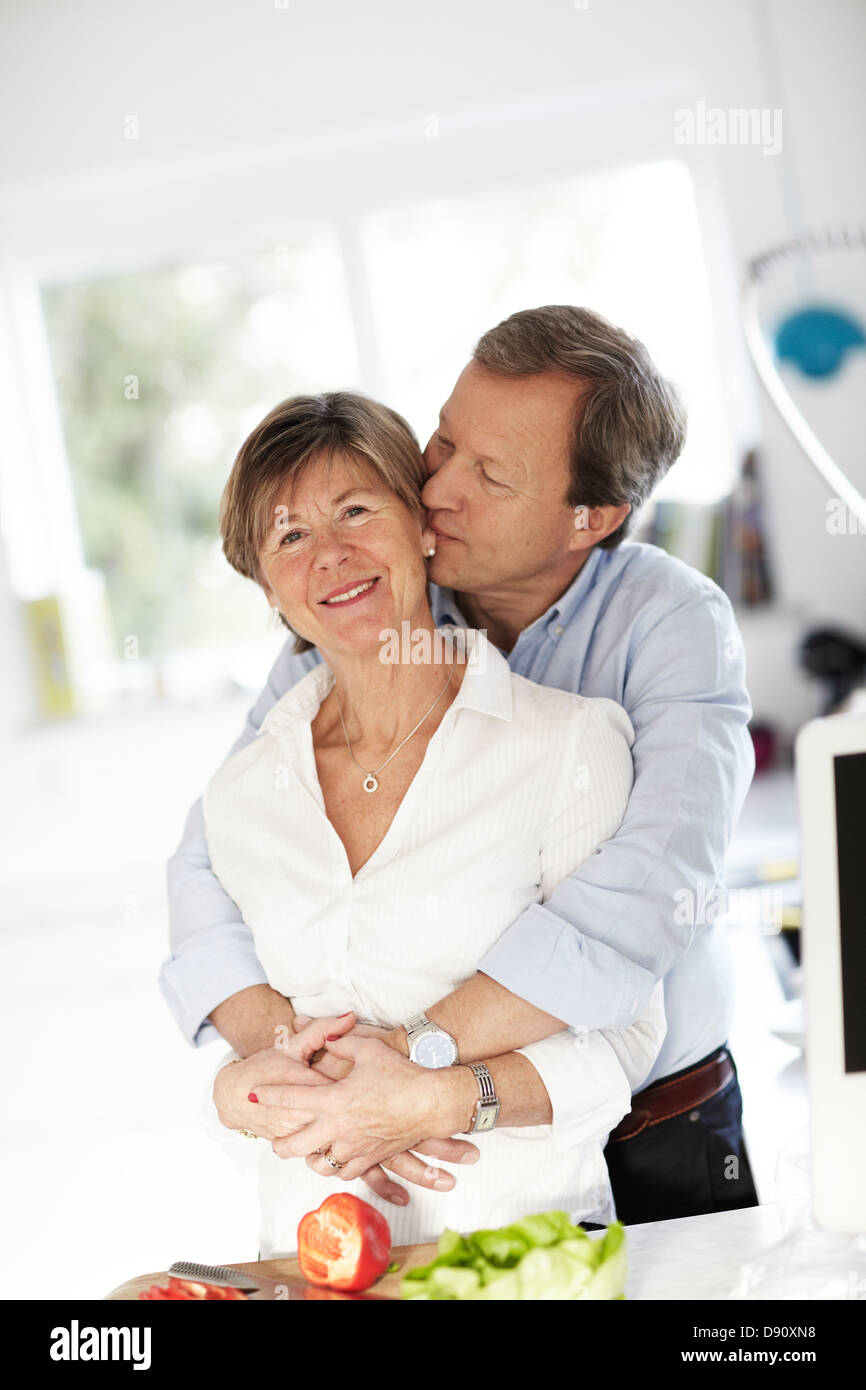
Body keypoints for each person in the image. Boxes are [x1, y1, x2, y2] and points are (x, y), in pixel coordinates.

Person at [161, 305, 759, 1226]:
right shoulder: (366, 607)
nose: (436, 488)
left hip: (655, 1114)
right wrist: (300, 1063)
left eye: (491, 474)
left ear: (591, 518)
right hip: (419, 1145)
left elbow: (643, 897)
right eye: (443, 442)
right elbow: (216, 853)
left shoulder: (668, 625)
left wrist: (412, 1064)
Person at [198, 389, 664, 1254]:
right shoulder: (243, 795)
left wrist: (436, 1098)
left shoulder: (567, 744)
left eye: (355, 511)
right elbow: (255, 1052)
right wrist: (236, 1093)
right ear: (267, 584)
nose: (330, 555)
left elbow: (630, 1035)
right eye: (289, 536)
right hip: (311, 1266)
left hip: (523, 1261)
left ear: (421, 525)